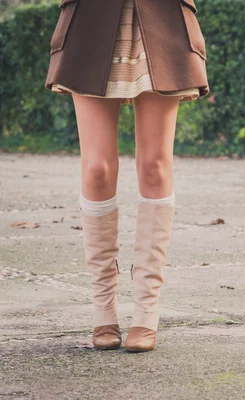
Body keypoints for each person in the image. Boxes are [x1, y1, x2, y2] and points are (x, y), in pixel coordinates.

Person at [44, 0, 209, 352]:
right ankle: (104, 308)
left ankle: (147, 311)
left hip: (162, 19)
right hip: (91, 19)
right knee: (97, 168)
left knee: (155, 164)